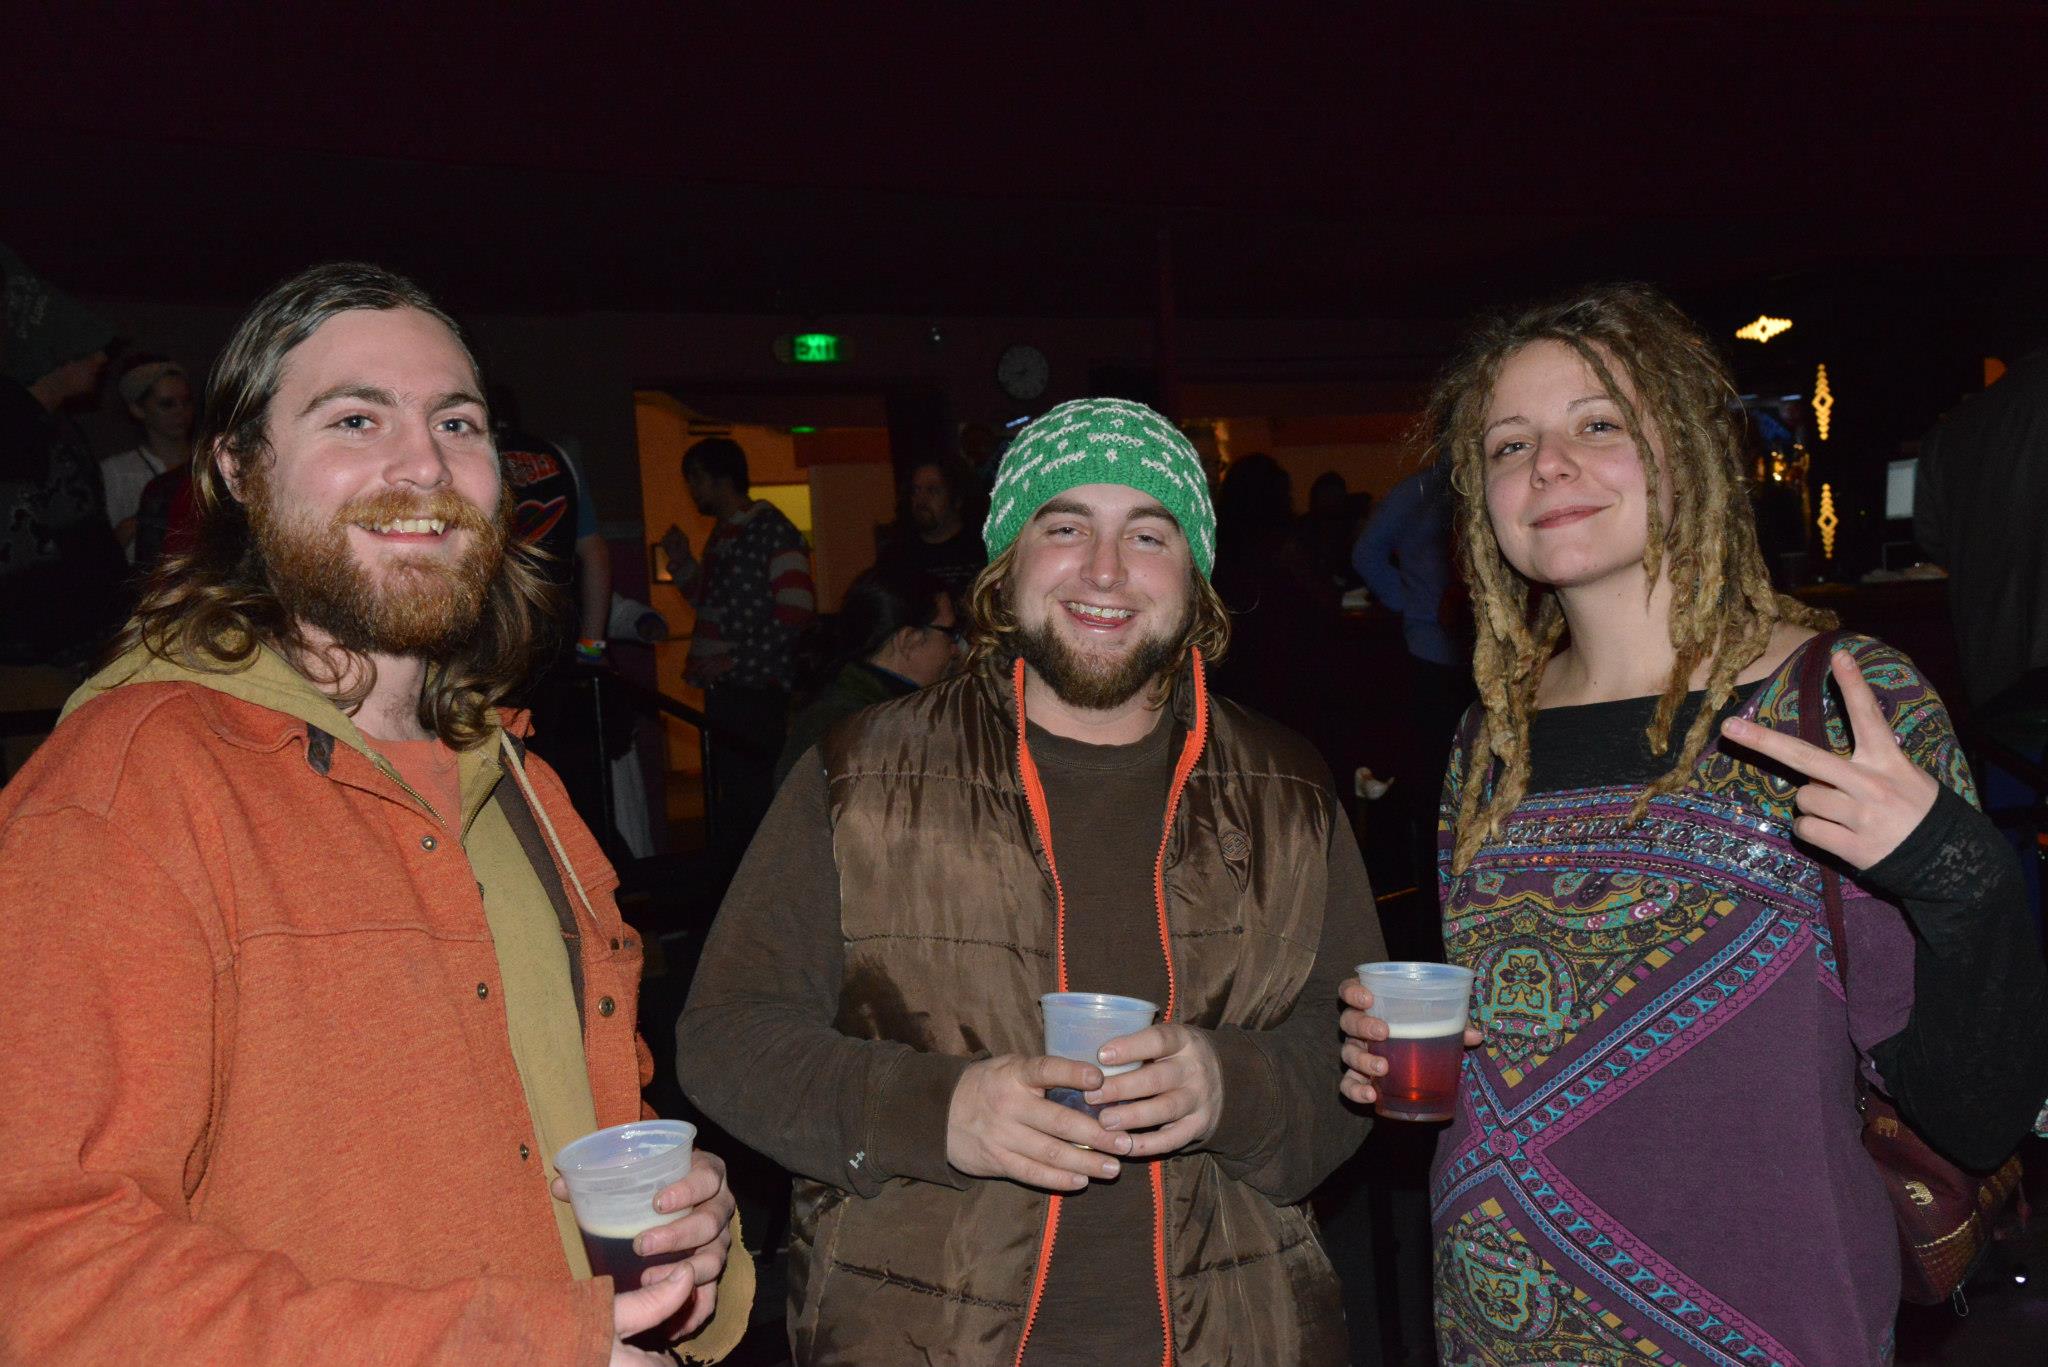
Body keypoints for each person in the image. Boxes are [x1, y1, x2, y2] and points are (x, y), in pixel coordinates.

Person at [0, 262, 750, 1366]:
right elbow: (43, 1274)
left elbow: (572, 1142)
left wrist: (689, 1237)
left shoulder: (520, 782)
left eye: (458, 422)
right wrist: (525, 1344)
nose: (424, 463)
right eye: (356, 418)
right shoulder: (128, 789)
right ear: (238, 469)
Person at [1335, 284, 2048, 1366]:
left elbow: (1972, 1112)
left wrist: (1961, 872)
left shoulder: (1837, 701)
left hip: (1754, 1319)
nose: (1548, 465)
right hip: (1497, 1310)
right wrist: (1404, 1046)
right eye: (1509, 444)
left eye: (1597, 424)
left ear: (1685, 452)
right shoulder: (1491, 731)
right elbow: (1520, 1021)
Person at [681, 397, 1387, 1366]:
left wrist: (1235, 1086)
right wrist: (936, 1112)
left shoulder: (1288, 788)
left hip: (1240, 1331)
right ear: (1006, 564)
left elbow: (1350, 1050)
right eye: (1065, 527)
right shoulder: (859, 774)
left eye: (1148, 534)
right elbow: (726, 1036)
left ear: (1196, 580)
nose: (1104, 569)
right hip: (916, 1335)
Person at [0, 243, 129, 774]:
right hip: (35, 663)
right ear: (55, 352)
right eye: (86, 347)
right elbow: (23, 558)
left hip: (71, 654)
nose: (100, 360)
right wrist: (77, 645)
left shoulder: (53, 426)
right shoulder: (15, 430)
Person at [657, 437, 815, 853]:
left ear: (719, 478)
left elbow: (797, 609)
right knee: (736, 797)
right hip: (728, 687)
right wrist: (681, 560)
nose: (692, 491)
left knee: (752, 798)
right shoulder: (727, 532)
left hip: (755, 689)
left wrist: (734, 659)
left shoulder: (770, 529)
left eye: (696, 479)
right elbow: (710, 602)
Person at [772, 562, 957, 788]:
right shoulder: (865, 729)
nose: (955, 649)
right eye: (950, 633)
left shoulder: (850, 705)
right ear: (908, 640)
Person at [100, 356, 195, 561]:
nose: (181, 411)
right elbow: (101, 552)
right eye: (167, 404)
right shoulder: (116, 472)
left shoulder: (210, 462)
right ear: (138, 409)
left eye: (186, 401)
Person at [877, 456, 986, 602]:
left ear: (956, 498)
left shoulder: (982, 550)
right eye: (915, 490)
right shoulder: (896, 556)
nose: (920, 500)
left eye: (932, 490)